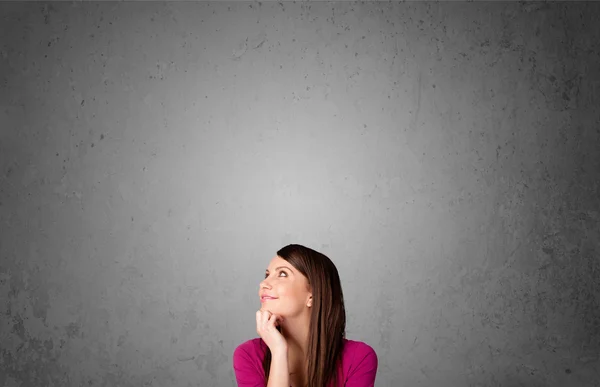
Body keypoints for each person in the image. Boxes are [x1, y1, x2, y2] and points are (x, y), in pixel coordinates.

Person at [232, 244, 378, 387]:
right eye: (267, 275)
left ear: (312, 296)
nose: (263, 283)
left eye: (282, 274)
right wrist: (278, 352)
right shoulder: (248, 355)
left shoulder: (359, 358)